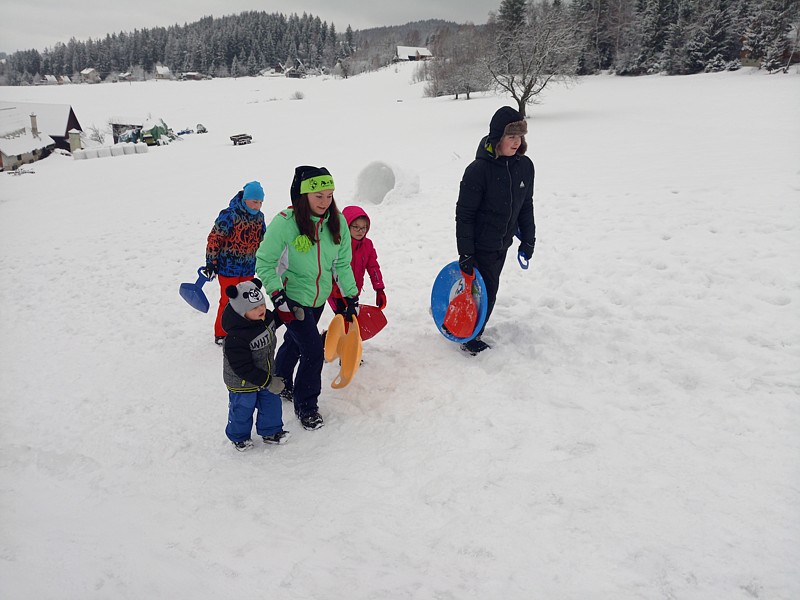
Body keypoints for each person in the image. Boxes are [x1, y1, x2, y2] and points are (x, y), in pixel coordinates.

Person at [255, 166, 359, 430]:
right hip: (292, 298)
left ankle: (281, 378)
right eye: (318, 196)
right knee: (313, 350)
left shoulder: (337, 222)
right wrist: (278, 296)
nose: (325, 202)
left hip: (318, 297)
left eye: (329, 195)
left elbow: (342, 264)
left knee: (295, 339)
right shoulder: (285, 223)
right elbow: (265, 262)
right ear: (304, 195)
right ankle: (307, 406)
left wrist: (350, 296)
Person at [455, 106, 536, 355]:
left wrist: (529, 239)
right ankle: (470, 336)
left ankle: (461, 322)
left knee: (481, 289)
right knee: (486, 291)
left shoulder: (524, 166)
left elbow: (526, 204)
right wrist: (466, 252)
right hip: (480, 244)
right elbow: (464, 215)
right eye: (511, 137)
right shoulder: (478, 171)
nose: (516, 142)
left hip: (503, 243)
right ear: (497, 138)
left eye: (520, 137)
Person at [220, 278, 289, 451]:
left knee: (271, 404)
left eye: (262, 305)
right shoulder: (236, 338)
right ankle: (239, 437)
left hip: (265, 374)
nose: (261, 310)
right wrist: (267, 381)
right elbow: (242, 368)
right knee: (242, 410)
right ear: (241, 312)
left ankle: (271, 431)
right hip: (242, 382)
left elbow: (275, 321)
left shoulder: (264, 318)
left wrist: (291, 313)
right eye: (254, 308)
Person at [203, 181, 266, 345]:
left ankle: (245, 330)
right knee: (227, 300)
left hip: (248, 268)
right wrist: (211, 262)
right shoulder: (229, 215)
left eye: (260, 202)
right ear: (245, 199)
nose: (258, 206)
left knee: (248, 300)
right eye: (254, 201)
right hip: (228, 268)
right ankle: (222, 333)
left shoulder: (259, 218)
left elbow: (263, 240)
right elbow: (215, 238)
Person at [328, 205, 386, 313]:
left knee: (350, 320)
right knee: (343, 318)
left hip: (353, 291)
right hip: (335, 292)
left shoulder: (367, 245)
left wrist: (379, 288)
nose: (361, 231)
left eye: (364, 227)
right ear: (347, 226)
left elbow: (373, 268)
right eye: (356, 227)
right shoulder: (338, 244)